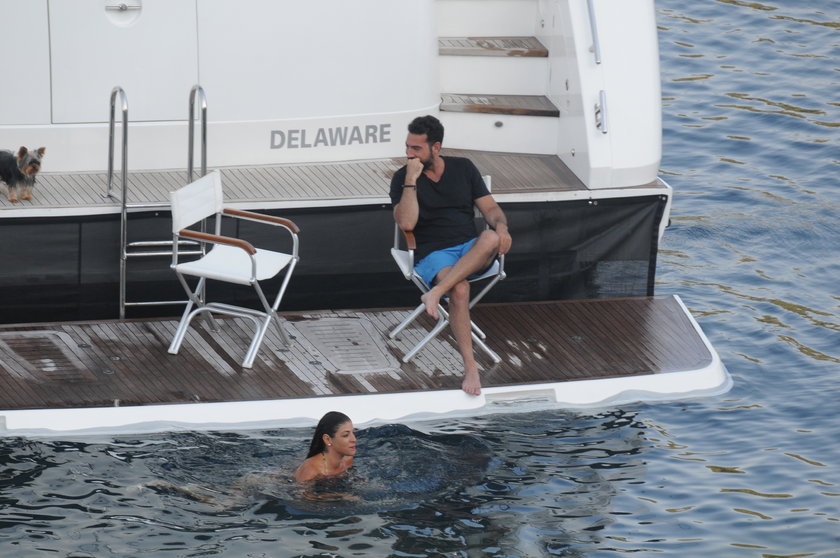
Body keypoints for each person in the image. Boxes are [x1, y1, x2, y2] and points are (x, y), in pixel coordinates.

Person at [389, 115, 512, 396]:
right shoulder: (401, 178)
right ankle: (471, 367)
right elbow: (406, 223)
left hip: (470, 249)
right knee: (459, 289)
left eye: (416, 148)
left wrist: (502, 227)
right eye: (407, 146)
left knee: (491, 236)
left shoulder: (463, 168)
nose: (409, 154)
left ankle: (435, 293)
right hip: (432, 254)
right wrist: (411, 181)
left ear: (436, 147)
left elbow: (491, 210)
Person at [293, 411, 357, 482]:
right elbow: (298, 489)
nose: (354, 439)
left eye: (353, 432)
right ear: (328, 439)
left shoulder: (348, 460)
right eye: (345, 435)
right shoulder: (311, 470)